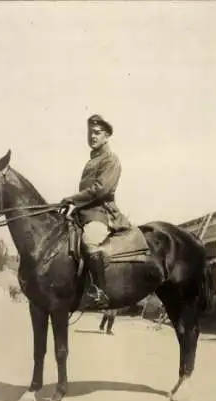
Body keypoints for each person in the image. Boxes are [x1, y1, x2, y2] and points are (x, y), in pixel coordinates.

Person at [61, 114, 131, 306]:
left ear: (107, 136)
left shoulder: (110, 159)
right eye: (90, 132)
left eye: (97, 133)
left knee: (89, 240)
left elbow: (100, 189)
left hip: (101, 212)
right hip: (83, 212)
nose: (92, 136)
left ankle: (101, 291)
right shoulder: (92, 160)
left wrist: (72, 199)